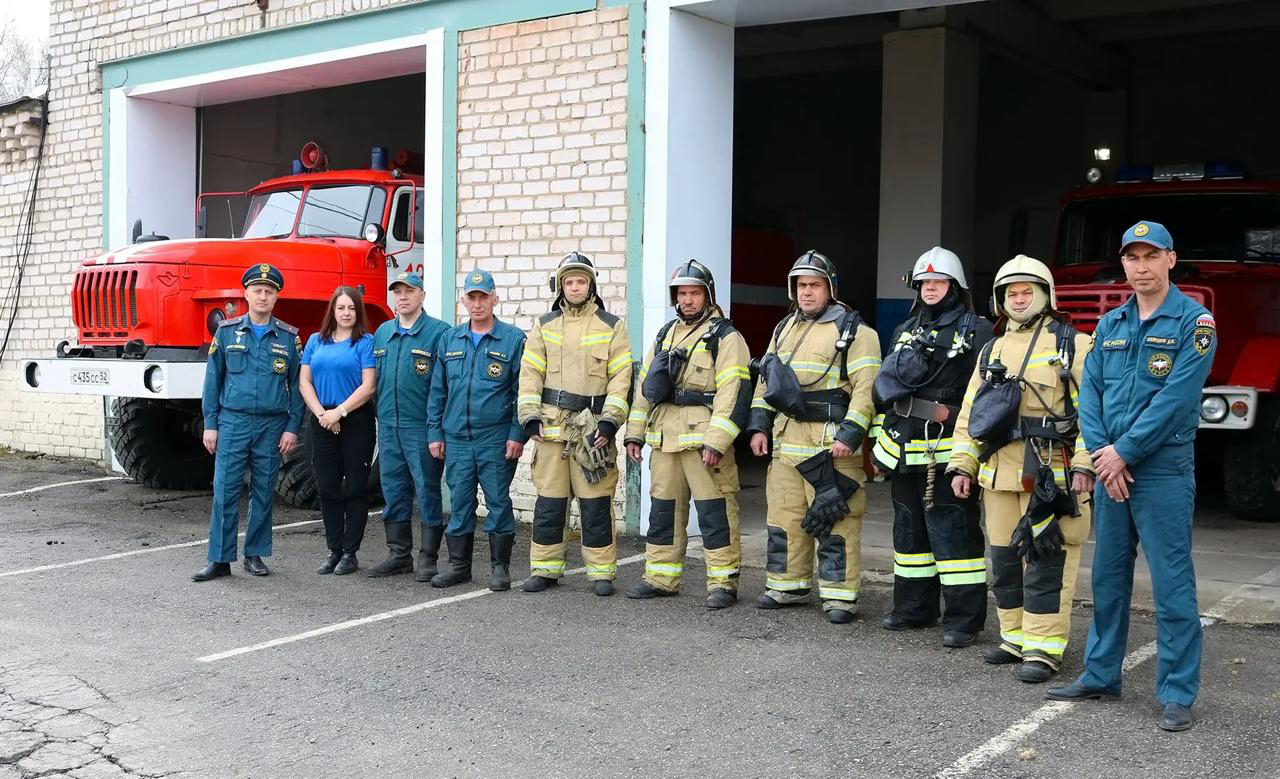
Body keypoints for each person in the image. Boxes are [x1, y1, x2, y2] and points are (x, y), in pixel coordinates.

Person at [1047, 221, 1216, 733]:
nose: (1141, 266)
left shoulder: (1195, 322)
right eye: (1132, 257)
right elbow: (1090, 393)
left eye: (1151, 256)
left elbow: (1177, 398)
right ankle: (1101, 674)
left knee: (1172, 585)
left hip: (1161, 470)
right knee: (1108, 579)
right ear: (1123, 263)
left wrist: (1124, 453)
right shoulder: (1110, 324)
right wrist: (1103, 454)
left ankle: (1177, 693)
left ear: (1171, 259)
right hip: (1111, 467)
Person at [948, 255, 1094, 683]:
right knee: (1005, 560)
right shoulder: (991, 349)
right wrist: (963, 463)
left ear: (1046, 296)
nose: (1019, 298)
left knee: (1047, 562)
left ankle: (1044, 649)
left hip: (1051, 474)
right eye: (1011, 292)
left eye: (1028, 290)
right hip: (998, 473)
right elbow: (971, 415)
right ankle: (1014, 638)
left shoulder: (1074, 345)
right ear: (999, 299)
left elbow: (1095, 414)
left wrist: (1085, 463)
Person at [746, 250, 881, 624]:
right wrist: (759, 426)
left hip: (830, 445)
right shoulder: (783, 328)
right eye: (801, 285)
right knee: (784, 516)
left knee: (836, 519)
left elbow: (866, 390)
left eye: (815, 285)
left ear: (830, 288)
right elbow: (767, 382)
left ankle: (840, 597)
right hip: (787, 441)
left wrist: (851, 436)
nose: (807, 292)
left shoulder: (857, 332)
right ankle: (787, 586)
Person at [870, 247, 993, 646]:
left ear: (954, 286)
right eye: (924, 283)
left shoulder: (978, 330)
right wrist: (878, 441)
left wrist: (966, 439)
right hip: (905, 445)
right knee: (909, 533)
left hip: (948, 448)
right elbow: (886, 390)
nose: (930, 289)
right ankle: (913, 609)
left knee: (954, 534)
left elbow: (987, 395)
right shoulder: (904, 329)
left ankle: (962, 621)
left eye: (938, 282)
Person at [623, 260, 752, 609]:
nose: (688, 300)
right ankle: (661, 578)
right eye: (682, 293)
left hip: (703, 442)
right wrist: (635, 433)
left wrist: (718, 441)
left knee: (715, 514)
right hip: (664, 437)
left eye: (695, 293)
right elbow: (644, 387)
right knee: (663, 512)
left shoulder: (726, 336)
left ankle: (723, 582)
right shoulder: (665, 334)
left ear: (707, 295)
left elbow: (733, 392)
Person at [518, 252, 633, 597]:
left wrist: (611, 422)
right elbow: (530, 374)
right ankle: (545, 569)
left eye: (581, 280)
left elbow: (621, 378)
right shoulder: (544, 324)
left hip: (592, 432)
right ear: (561, 286)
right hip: (552, 431)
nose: (575, 286)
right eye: (569, 281)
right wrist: (529, 416)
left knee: (596, 504)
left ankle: (601, 573)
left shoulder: (612, 326)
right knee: (550, 504)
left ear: (591, 284)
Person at [192, 263, 302, 581]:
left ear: (276, 297)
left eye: (269, 291)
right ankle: (219, 559)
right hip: (233, 422)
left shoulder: (288, 338)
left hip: (271, 426)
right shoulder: (226, 333)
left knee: (264, 490)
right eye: (257, 290)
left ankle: (254, 554)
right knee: (225, 490)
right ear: (246, 294)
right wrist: (210, 424)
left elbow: (297, 387)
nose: (262, 296)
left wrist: (292, 428)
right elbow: (212, 381)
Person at [427, 270, 527, 591]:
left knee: (498, 501)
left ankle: (500, 568)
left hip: (495, 438)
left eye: (484, 296)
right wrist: (435, 433)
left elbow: (521, 393)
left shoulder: (513, 340)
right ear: (464, 300)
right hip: (456, 438)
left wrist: (516, 433)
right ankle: (459, 566)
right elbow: (437, 392)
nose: (478, 303)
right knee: (459, 502)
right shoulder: (449, 339)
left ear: (495, 298)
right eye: (472, 297)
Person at [369, 272, 452, 580]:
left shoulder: (440, 333)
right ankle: (398, 554)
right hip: (388, 426)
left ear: (422, 296)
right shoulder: (382, 332)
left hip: (422, 428)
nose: (402, 296)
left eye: (409, 291)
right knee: (393, 489)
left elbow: (444, 386)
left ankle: (428, 557)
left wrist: (437, 429)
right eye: (398, 291)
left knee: (428, 491)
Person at [299, 286, 376, 575]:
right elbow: (304, 381)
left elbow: (368, 386)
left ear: (358, 312)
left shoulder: (365, 343)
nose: (346, 313)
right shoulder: (315, 341)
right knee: (328, 487)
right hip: (322, 419)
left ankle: (350, 552)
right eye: (341, 308)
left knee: (355, 487)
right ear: (332, 310)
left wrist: (339, 412)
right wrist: (322, 413)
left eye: (351, 308)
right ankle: (333, 550)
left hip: (354, 419)